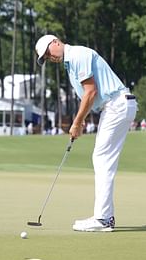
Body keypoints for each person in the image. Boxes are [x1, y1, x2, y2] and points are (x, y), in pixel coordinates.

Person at [35, 34, 137, 232]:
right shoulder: (70, 63)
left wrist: (77, 122)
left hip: (117, 104)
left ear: (55, 42)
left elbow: (91, 92)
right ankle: (104, 217)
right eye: (46, 57)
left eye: (48, 52)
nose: (49, 57)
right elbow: (90, 96)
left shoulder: (77, 55)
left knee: (102, 159)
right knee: (102, 159)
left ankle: (103, 219)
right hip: (117, 105)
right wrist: (80, 121)